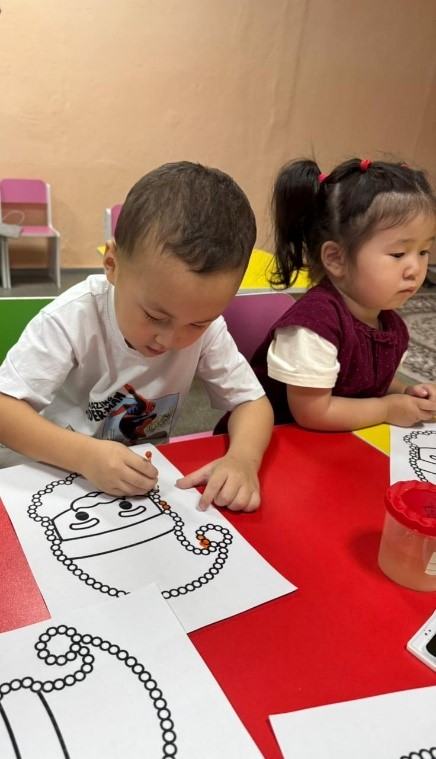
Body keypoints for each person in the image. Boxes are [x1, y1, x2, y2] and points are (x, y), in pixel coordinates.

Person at [0, 161, 273, 511]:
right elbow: (5, 410)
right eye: (155, 317)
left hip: (135, 485)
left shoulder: (208, 329)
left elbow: (252, 403)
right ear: (112, 265)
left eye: (197, 324)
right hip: (52, 473)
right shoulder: (73, 317)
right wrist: (84, 455)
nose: (169, 340)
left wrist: (243, 460)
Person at [251, 157, 436, 431]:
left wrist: (406, 393)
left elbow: (370, 379)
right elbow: (312, 412)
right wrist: (386, 409)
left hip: (338, 443)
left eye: (423, 251)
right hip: (277, 439)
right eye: (398, 254)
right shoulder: (313, 326)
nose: (416, 269)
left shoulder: (389, 323)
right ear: (336, 258)